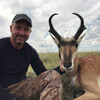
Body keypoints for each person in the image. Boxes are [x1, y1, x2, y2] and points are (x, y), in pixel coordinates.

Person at [0, 14, 65, 100]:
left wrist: (61, 68)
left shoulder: (30, 51)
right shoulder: (1, 46)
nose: (22, 33)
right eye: (18, 28)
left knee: (53, 76)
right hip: (3, 90)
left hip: (21, 88)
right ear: (11, 28)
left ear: (29, 32)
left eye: (26, 29)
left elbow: (44, 74)